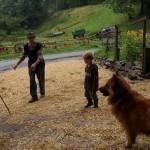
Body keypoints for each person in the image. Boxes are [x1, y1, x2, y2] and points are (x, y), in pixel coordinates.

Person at [13, 32, 45, 103]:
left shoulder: (39, 45)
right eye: (29, 38)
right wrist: (16, 64)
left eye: (32, 37)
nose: (31, 39)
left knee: (40, 79)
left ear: (34, 37)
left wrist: (35, 64)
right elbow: (23, 56)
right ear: (28, 38)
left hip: (39, 64)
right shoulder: (26, 46)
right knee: (31, 79)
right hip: (31, 65)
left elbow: (40, 57)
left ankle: (42, 92)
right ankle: (34, 96)